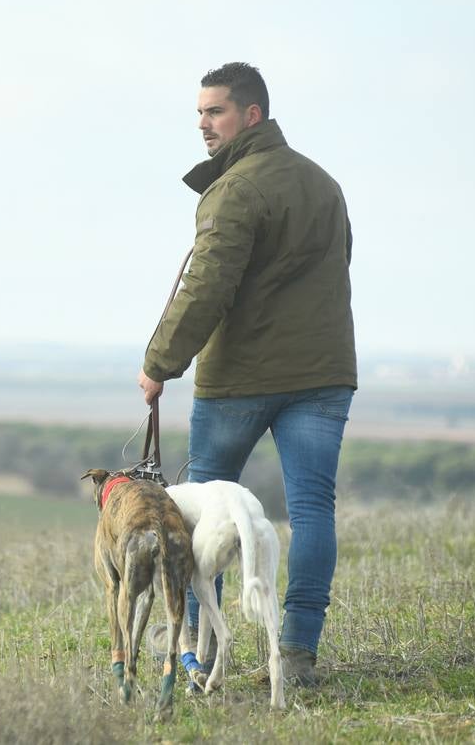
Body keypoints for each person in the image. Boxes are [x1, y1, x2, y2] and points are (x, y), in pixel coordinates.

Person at [136, 62, 356, 687]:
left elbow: (205, 286)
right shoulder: (324, 184)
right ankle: (296, 652)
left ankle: (203, 650)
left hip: (239, 380)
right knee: (313, 510)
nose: (203, 125)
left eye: (216, 112)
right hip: (323, 373)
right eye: (200, 113)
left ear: (251, 115)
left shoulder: (234, 190)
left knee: (206, 512)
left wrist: (159, 365)